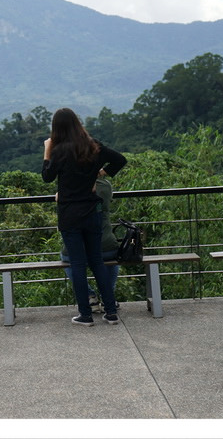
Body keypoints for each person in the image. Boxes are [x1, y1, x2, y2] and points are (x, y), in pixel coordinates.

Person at [41, 108, 127, 326]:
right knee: (97, 261)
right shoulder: (92, 146)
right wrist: (101, 173)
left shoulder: (59, 151)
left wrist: (47, 151)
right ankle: (111, 313)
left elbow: (47, 177)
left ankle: (86, 315)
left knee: (78, 264)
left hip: (70, 214)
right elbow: (120, 160)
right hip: (92, 212)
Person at [60, 173, 123, 316]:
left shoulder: (71, 187)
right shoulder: (105, 186)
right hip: (107, 245)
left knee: (67, 257)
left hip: (79, 247)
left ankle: (90, 297)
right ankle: (109, 297)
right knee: (110, 260)